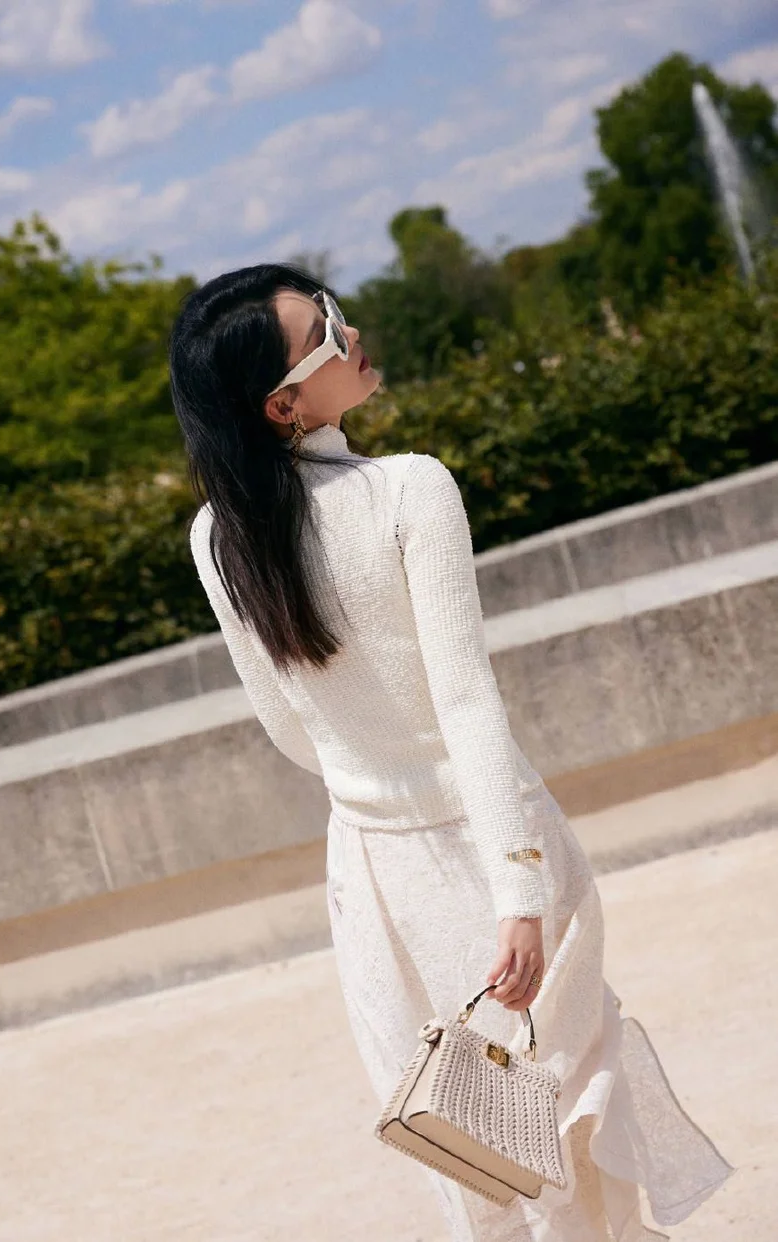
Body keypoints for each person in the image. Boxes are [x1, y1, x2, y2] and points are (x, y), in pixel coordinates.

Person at [169, 264, 733, 1241]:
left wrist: (375, 782)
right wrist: (517, 892)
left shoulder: (219, 534)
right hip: (488, 847)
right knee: (558, 1125)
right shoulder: (408, 488)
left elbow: (289, 729)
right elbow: (466, 703)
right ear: (282, 404)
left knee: (470, 1149)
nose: (352, 333)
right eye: (326, 331)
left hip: (373, 880)